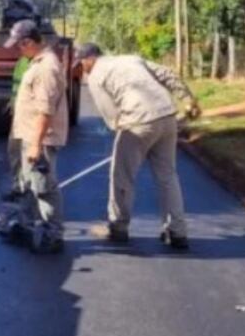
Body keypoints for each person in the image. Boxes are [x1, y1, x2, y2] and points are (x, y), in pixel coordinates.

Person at [75, 43, 200, 250]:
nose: (81, 69)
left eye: (81, 64)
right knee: (167, 176)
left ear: (89, 59)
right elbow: (167, 74)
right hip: (167, 117)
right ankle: (177, 232)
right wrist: (188, 99)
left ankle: (118, 227)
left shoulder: (96, 76)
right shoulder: (131, 59)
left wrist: (125, 135)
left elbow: (111, 116)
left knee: (122, 176)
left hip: (138, 121)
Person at [6, 19, 69, 252]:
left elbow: (45, 110)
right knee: (30, 184)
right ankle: (32, 227)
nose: (17, 50)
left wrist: (35, 144)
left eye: (18, 45)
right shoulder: (38, 62)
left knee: (44, 187)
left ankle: (53, 234)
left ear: (28, 42)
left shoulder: (45, 67)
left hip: (39, 138)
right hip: (30, 135)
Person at [2, 55, 31, 201]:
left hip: (31, 116)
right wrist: (12, 103)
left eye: (23, 44)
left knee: (28, 153)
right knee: (14, 149)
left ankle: (31, 189)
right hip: (19, 114)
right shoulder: (22, 62)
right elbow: (17, 87)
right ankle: (18, 185)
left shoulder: (39, 64)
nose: (20, 47)